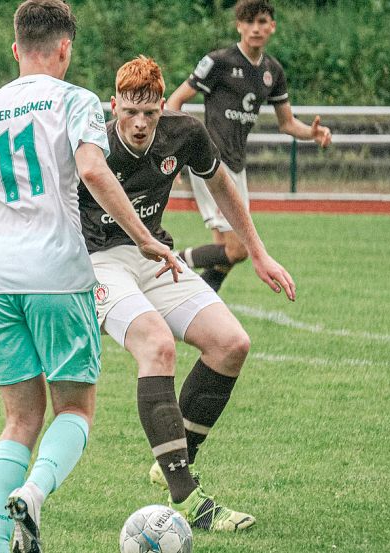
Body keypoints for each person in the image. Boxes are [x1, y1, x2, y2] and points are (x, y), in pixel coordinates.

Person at [0, 3, 180, 552]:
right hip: (57, 274)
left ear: (16, 49)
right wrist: (144, 238)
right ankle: (36, 494)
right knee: (74, 408)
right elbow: (93, 168)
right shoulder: (75, 100)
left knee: (19, 420)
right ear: (65, 48)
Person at [78, 56, 296, 531]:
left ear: (162, 106)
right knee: (156, 345)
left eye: (150, 113)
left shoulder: (185, 133)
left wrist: (258, 253)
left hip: (154, 256)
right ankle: (187, 498)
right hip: (97, 262)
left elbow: (220, 182)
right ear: (114, 105)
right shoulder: (89, 136)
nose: (139, 124)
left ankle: (171, 462)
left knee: (231, 344)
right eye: (129, 113)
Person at [166, 0, 331, 292]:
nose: (256, 28)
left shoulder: (272, 72)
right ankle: (169, 262)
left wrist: (312, 134)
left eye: (262, 22)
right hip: (210, 162)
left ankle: (201, 302)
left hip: (236, 165)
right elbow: (175, 101)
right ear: (239, 26)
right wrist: (181, 147)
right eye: (250, 22)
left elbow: (287, 123)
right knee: (239, 249)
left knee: (225, 253)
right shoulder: (219, 62)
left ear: (272, 27)